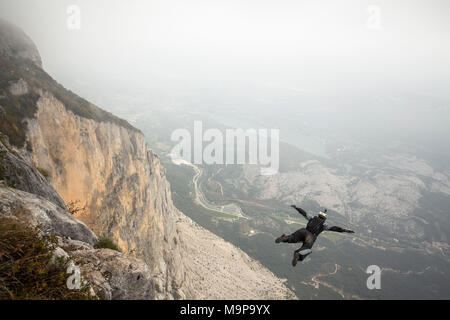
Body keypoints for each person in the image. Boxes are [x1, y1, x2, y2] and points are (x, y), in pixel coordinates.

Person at [275, 205, 354, 266]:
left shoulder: (312, 218)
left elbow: (304, 213)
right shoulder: (324, 225)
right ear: (324, 219)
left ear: (318, 215)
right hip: (311, 237)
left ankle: (285, 238)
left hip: (303, 231)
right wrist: (344, 230)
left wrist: (296, 207)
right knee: (306, 248)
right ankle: (298, 254)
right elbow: (334, 228)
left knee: (292, 238)